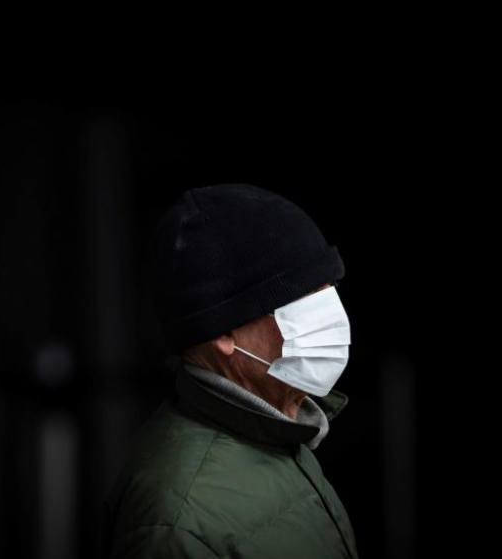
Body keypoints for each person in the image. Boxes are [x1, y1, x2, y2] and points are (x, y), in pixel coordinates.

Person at [102, 183, 359, 558]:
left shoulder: (278, 433)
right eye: (305, 297)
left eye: (329, 288)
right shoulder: (176, 522)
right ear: (224, 333)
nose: (331, 315)